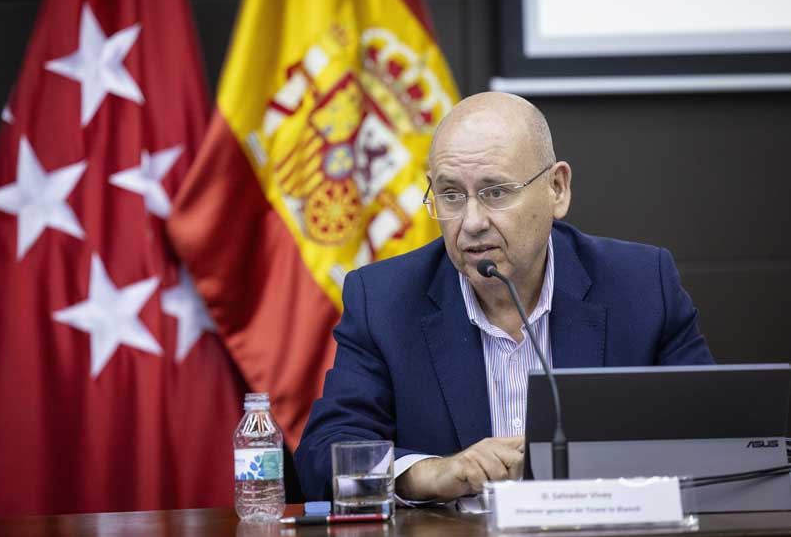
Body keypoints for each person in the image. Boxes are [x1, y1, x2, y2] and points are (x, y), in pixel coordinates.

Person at [294, 92, 714, 503]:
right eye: (451, 195)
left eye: (495, 192)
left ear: (557, 189)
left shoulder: (641, 287)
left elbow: (713, 435)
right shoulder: (384, 300)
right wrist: (427, 474)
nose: (472, 222)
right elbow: (323, 457)